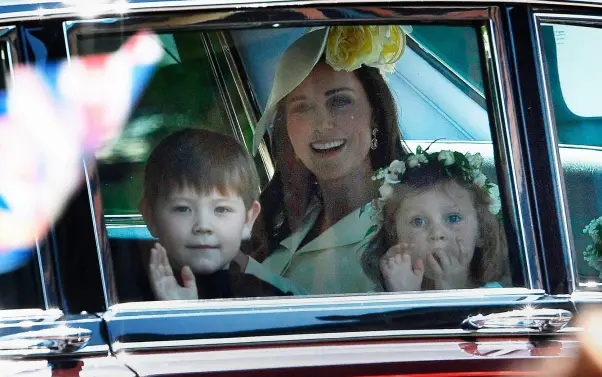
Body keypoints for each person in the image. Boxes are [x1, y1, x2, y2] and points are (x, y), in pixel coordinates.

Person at [242, 26, 410, 294]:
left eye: (340, 101)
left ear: (375, 115)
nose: (321, 124)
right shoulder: (278, 217)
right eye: (302, 108)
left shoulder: (412, 225)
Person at [140, 128, 304, 299]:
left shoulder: (271, 299)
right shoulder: (118, 295)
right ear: (150, 216)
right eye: (183, 209)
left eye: (221, 209)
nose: (203, 226)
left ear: (249, 219)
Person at [375, 147, 508, 291]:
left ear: (481, 231)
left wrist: (454, 295)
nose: (437, 234)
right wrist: (403, 295)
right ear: (394, 234)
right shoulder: (377, 298)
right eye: (418, 221)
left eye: (453, 218)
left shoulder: (495, 298)